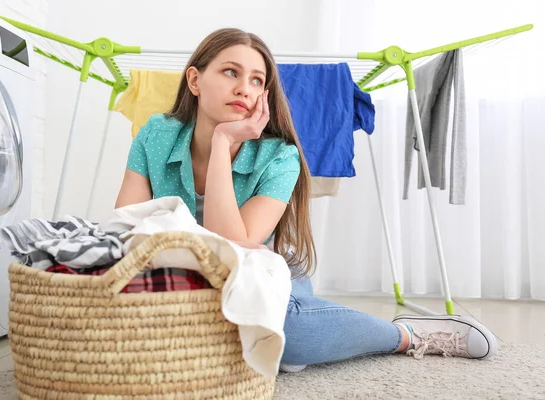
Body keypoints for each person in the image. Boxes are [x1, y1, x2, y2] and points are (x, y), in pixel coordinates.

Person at [115, 27, 498, 373]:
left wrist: (221, 143)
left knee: (287, 332)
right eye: (231, 72)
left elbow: (234, 245)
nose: (243, 88)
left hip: (265, 266)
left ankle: (405, 335)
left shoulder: (281, 157)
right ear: (195, 80)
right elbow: (128, 228)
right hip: (182, 276)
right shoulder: (154, 135)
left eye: (256, 80)